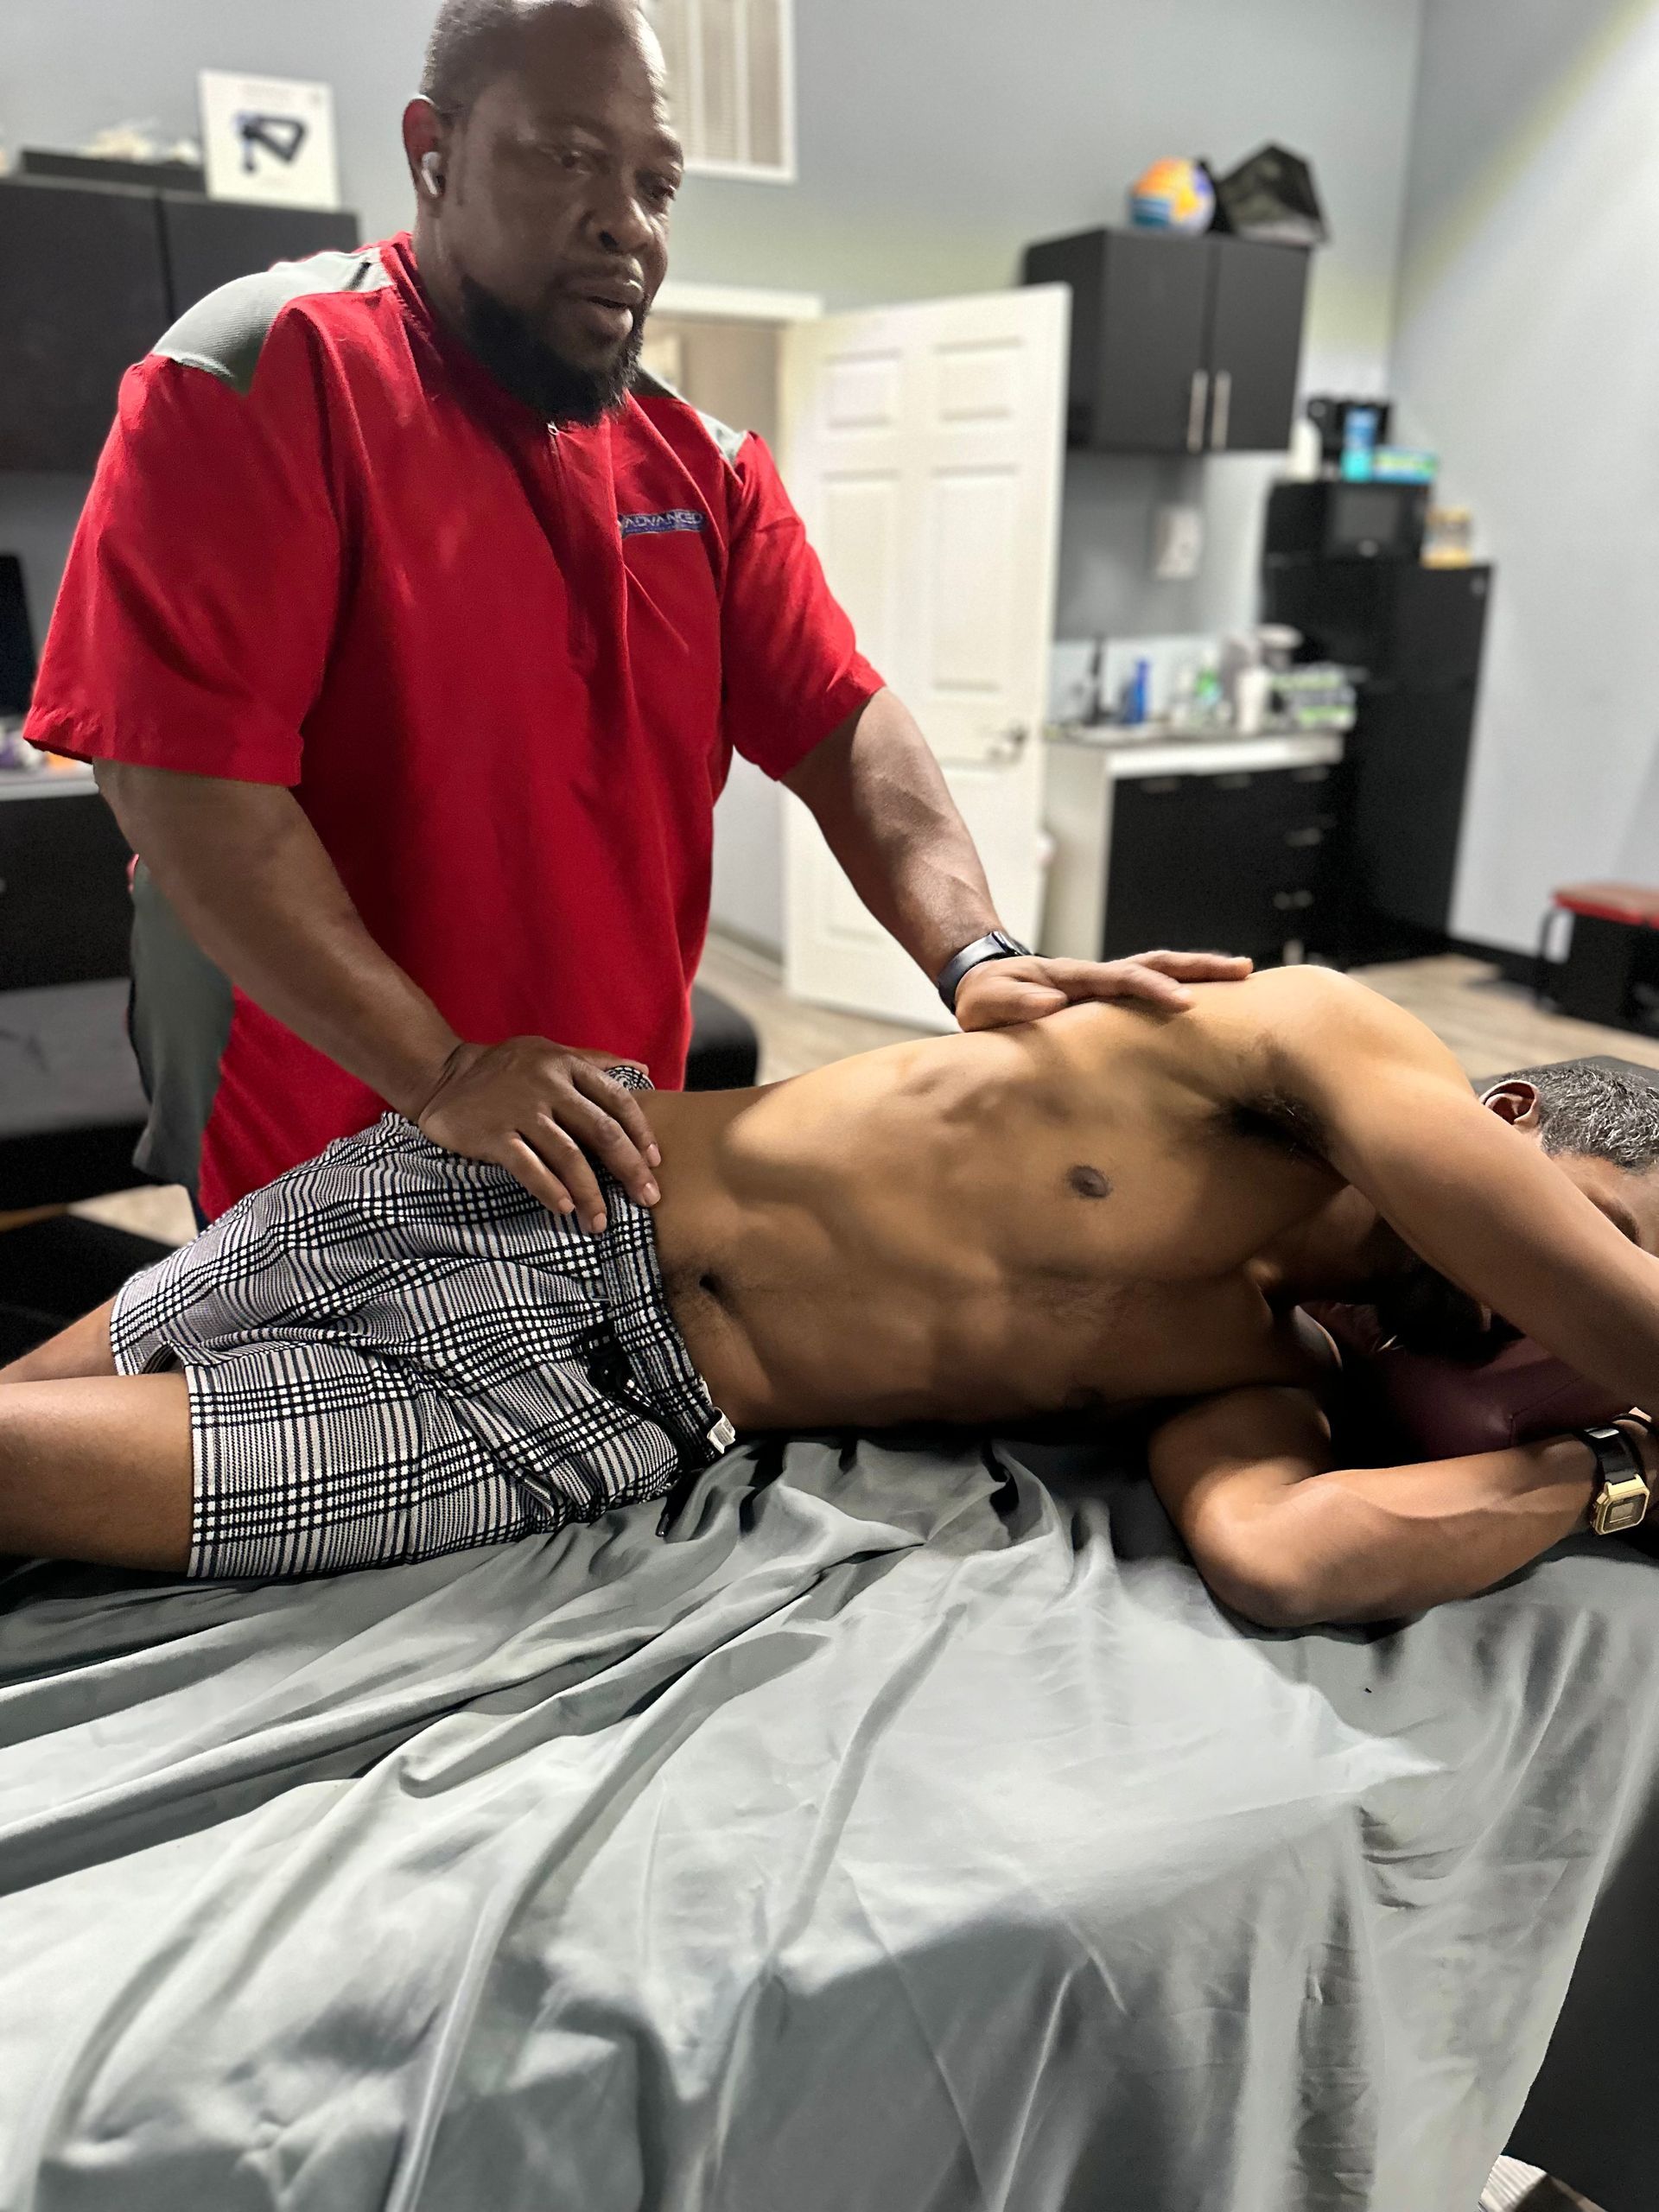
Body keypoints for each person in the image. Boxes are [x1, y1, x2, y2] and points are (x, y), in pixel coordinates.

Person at [21, 0, 1229, 1229]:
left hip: (601, 1125)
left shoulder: (704, 466)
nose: (628, 224)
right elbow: (181, 784)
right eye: (568, 158)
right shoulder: (264, 372)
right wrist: (442, 1072)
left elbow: (841, 724)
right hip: (332, 1132)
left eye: (658, 185)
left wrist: (974, 952)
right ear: (433, 152)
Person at [5, 964, 1659, 1625]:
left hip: (574, 1415)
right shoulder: (1314, 1034)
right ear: (1513, 1118)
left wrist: (1614, 1465)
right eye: (1605, 1231)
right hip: (543, 1172)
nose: (1553, 1318)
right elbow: (1610, 1313)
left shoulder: (1265, 1372)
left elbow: (1284, 1558)